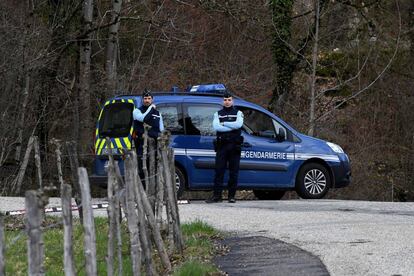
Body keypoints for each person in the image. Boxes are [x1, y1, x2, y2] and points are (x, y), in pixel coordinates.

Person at [206, 92, 244, 203]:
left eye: (229, 100)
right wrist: (229, 126)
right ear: (222, 101)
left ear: (232, 101)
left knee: (234, 172)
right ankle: (217, 196)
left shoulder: (238, 113)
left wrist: (224, 124)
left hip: (234, 146)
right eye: (225, 100)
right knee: (219, 171)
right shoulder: (218, 114)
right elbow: (216, 127)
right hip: (222, 146)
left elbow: (238, 125)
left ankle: (231, 196)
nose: (227, 102)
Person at [133, 89, 164, 183]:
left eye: (149, 98)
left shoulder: (158, 114)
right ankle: (143, 194)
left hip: (154, 147)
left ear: (152, 100)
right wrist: (151, 109)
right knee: (142, 170)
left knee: (154, 170)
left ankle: (153, 194)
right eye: (145, 98)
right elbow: (144, 118)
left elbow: (161, 129)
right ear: (142, 99)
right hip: (142, 146)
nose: (147, 100)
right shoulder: (137, 111)